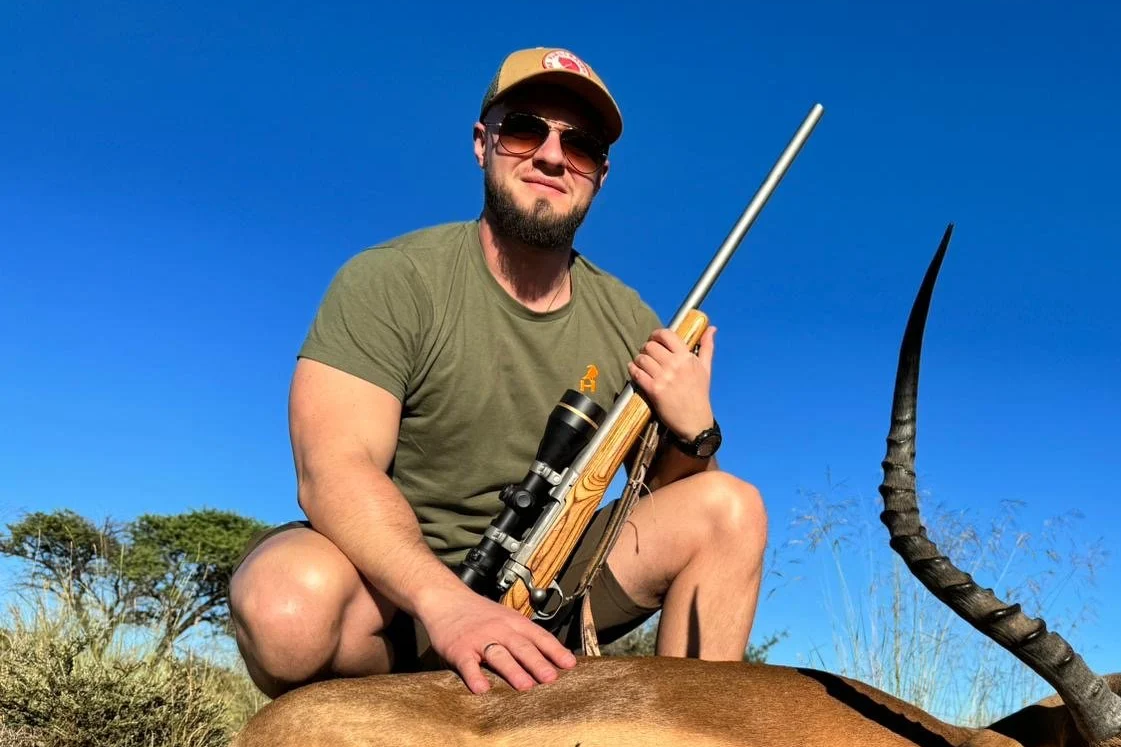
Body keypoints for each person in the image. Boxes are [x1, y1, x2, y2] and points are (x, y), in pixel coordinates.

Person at [229, 47, 767, 697]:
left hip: (545, 589)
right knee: (287, 608)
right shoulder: (392, 279)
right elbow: (332, 470)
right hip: (395, 601)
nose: (550, 155)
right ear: (482, 143)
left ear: (599, 173)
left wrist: (694, 432)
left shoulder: (632, 319)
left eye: (582, 145)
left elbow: (678, 500)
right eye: (524, 130)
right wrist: (449, 605)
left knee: (733, 508)